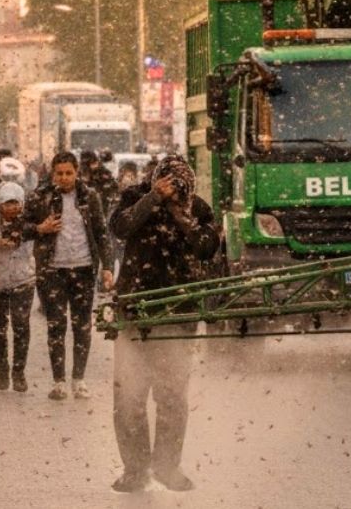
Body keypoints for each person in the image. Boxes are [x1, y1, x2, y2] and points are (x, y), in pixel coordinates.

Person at [108, 154, 218, 493]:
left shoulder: (197, 207)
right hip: (135, 313)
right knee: (129, 398)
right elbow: (120, 227)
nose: (173, 192)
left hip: (179, 316)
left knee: (171, 397)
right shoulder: (135, 197)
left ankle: (168, 466)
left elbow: (206, 247)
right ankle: (135, 469)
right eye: (168, 185)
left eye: (179, 188)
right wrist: (153, 199)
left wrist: (181, 215)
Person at [24, 151, 113, 400]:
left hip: (83, 269)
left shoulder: (89, 197)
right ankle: (59, 381)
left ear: (77, 173)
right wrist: (40, 228)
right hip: (52, 270)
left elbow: (101, 232)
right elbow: (21, 227)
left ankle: (79, 379)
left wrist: (107, 266)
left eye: (69, 173)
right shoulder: (41, 197)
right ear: (53, 174)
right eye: (60, 173)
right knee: (56, 325)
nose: (64, 178)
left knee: (82, 325)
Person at [0, 181, 35, 393]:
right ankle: (2, 368)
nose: (12, 208)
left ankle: (19, 371)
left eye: (16, 203)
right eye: (7, 203)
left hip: (23, 280)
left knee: (21, 325)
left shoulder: (28, 223)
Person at [81, 150, 121, 217]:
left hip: (103, 207)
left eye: (91, 163)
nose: (87, 167)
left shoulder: (103, 174)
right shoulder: (80, 173)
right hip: (85, 211)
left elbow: (114, 190)